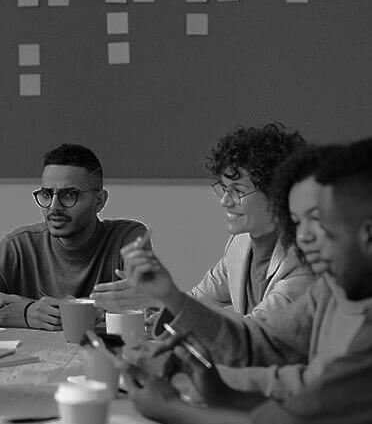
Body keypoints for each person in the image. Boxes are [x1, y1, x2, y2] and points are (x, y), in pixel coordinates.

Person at [121, 137, 372, 424]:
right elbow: (263, 345)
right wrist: (210, 382)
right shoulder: (330, 288)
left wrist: (173, 408)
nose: (304, 237)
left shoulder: (312, 275)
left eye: (320, 220)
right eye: (297, 221)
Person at [93, 123, 312, 320]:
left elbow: (255, 334)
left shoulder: (303, 260)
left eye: (238, 191)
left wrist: (168, 299)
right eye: (224, 189)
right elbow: (199, 299)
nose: (225, 201)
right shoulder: (240, 244)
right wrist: (158, 304)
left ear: (278, 194)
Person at [0, 143, 148, 330]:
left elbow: (146, 301)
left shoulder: (127, 238)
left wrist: (88, 311)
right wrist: (26, 312)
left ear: (99, 201)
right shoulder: (19, 246)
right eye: (46, 194)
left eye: (69, 195)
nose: (53, 207)